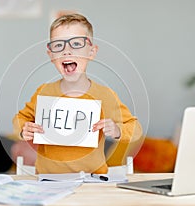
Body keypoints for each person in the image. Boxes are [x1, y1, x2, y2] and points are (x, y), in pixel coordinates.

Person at [13, 13, 143, 174]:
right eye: (58, 45)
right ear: (51, 54)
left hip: (92, 181)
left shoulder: (105, 96)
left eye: (76, 44)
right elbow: (19, 118)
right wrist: (23, 129)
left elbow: (136, 129)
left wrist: (117, 130)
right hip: (47, 181)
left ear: (92, 52)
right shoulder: (43, 92)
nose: (67, 51)